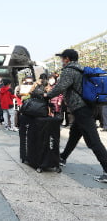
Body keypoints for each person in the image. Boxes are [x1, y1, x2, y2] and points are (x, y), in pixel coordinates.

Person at [45, 49, 107, 183]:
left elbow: (61, 87)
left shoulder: (69, 70)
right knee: (74, 134)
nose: (61, 61)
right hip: (88, 107)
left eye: (62, 58)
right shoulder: (82, 69)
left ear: (67, 59)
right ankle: (63, 157)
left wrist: (47, 95)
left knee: (93, 140)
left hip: (81, 109)